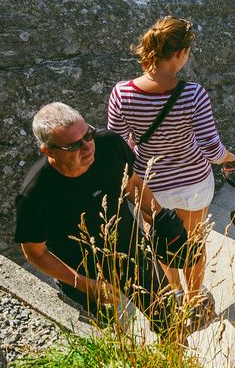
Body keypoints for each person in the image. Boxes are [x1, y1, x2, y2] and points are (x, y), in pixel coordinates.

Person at [106, 17, 235, 312]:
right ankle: (195, 299)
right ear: (179, 54)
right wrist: (229, 158)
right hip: (193, 182)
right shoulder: (193, 94)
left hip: (150, 186)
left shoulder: (122, 93)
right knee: (193, 242)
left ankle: (174, 295)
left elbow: (118, 144)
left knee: (165, 242)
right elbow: (211, 148)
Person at [14, 101, 160, 319]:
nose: (88, 147)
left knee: (168, 317)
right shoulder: (34, 195)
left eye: (88, 134)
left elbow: (133, 184)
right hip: (83, 276)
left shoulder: (109, 144)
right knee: (109, 340)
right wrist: (85, 285)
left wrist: (160, 218)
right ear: (47, 150)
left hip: (134, 254)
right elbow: (35, 253)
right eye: (73, 145)